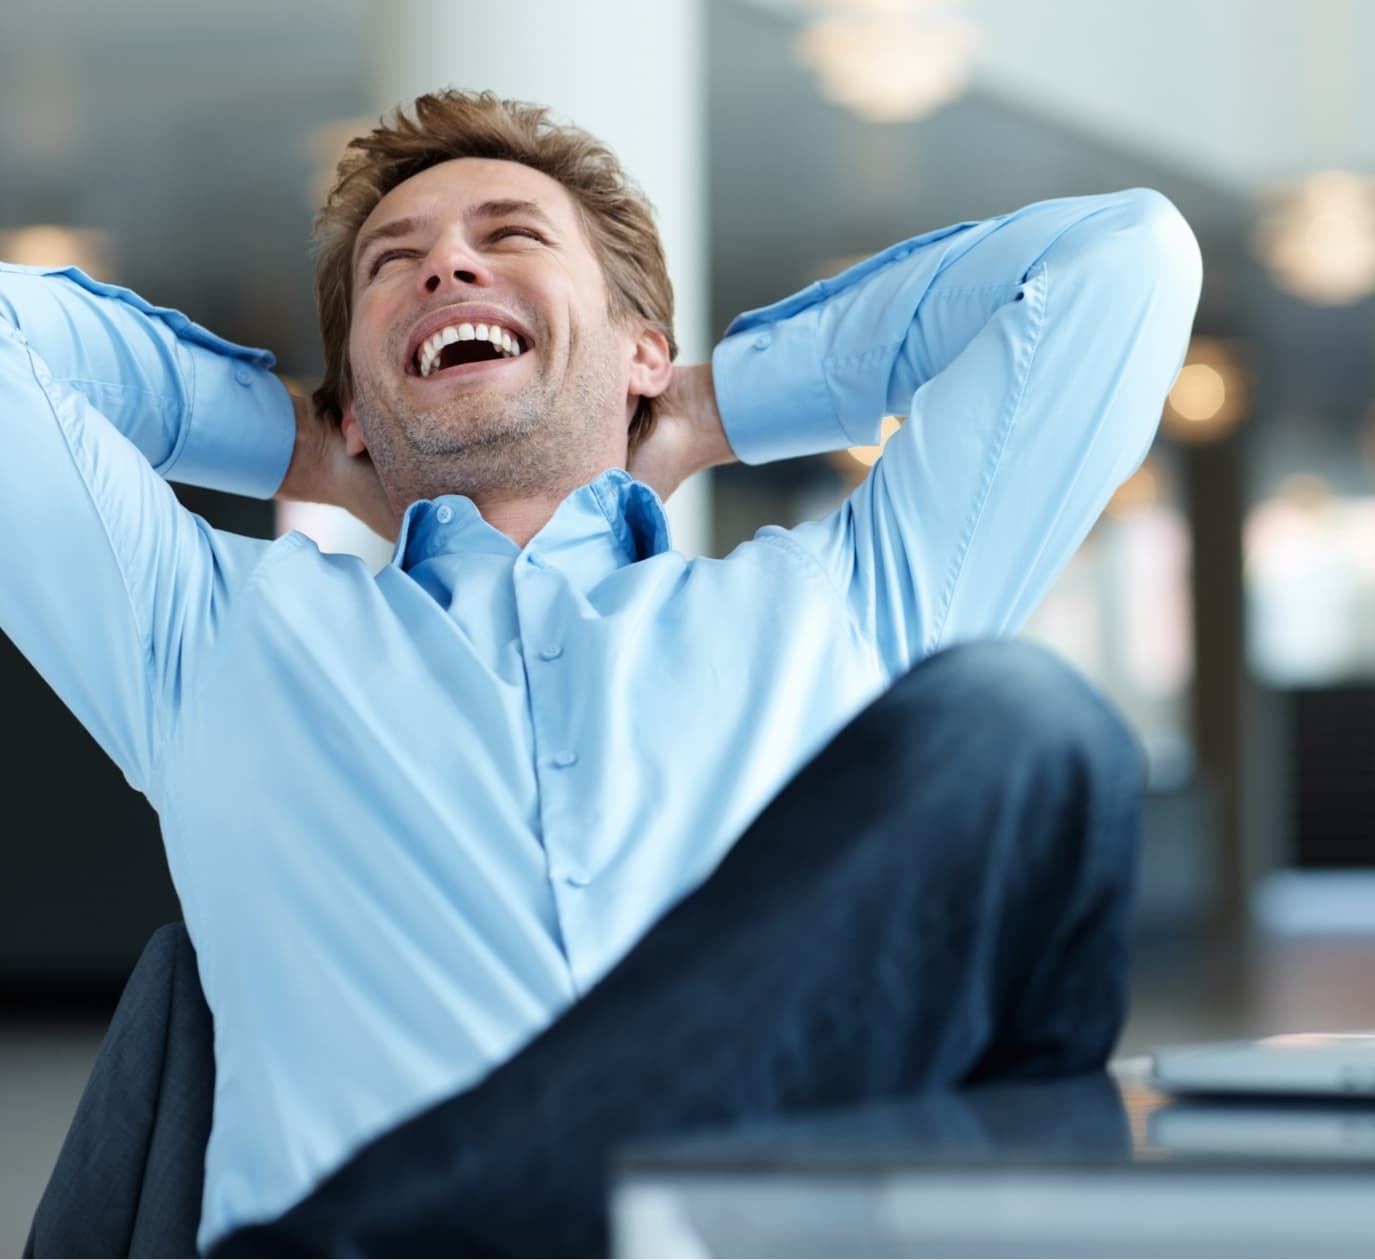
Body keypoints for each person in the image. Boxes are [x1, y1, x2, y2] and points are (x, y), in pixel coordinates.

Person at [0, 89, 1200, 1254]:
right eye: (392, 264)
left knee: (1026, 726)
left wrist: (718, 406)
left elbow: (1121, 263)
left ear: (641, 351)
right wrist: (300, 440)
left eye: (509, 235)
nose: (447, 269)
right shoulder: (212, 634)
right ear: (358, 405)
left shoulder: (836, 606)